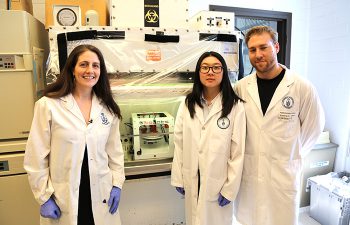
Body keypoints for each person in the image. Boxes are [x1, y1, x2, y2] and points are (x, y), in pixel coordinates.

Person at [24, 44, 125, 225]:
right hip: (63, 197)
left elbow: (115, 152)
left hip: (102, 193)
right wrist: (43, 196)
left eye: (96, 65)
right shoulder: (48, 105)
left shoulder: (107, 108)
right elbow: (35, 156)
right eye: (84, 64)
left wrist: (117, 184)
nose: (90, 70)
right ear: (72, 69)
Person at [233, 25, 325, 225]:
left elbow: (313, 128)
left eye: (263, 47)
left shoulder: (301, 87)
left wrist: (291, 155)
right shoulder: (241, 87)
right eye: (252, 50)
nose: (258, 54)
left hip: (283, 176)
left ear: (276, 47)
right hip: (250, 175)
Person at [171, 51, 246, 225]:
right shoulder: (188, 103)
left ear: (223, 72)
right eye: (205, 68)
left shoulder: (236, 106)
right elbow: (179, 142)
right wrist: (178, 176)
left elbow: (238, 152)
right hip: (192, 177)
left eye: (216, 67)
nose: (210, 72)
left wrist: (230, 188)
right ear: (198, 73)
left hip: (218, 182)